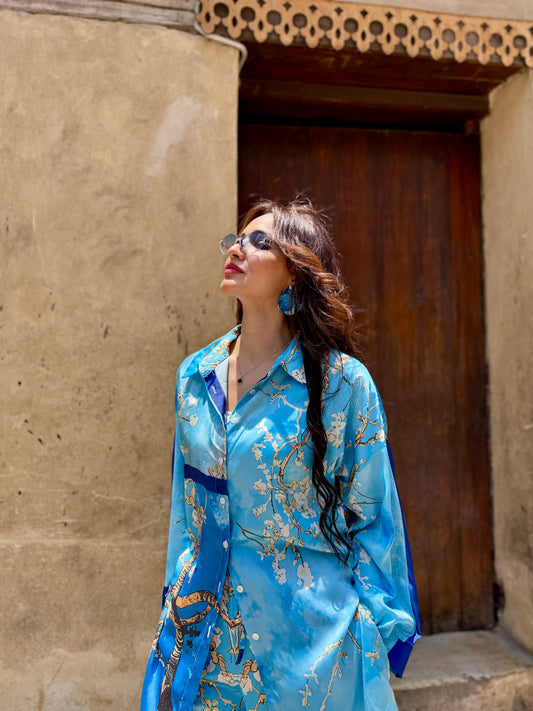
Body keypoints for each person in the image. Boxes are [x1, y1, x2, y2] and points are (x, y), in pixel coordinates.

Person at [140, 199, 420, 711]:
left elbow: (374, 518)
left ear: (296, 272)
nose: (236, 248)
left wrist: (374, 631)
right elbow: (186, 513)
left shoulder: (343, 384)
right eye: (236, 238)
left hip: (316, 654)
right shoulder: (194, 377)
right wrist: (172, 610)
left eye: (260, 241)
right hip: (206, 648)